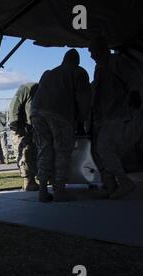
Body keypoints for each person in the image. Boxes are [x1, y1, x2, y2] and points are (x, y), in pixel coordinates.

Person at [31, 49, 91, 202]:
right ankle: (60, 190)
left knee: (44, 149)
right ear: (77, 61)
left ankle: (43, 190)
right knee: (62, 150)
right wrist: (83, 121)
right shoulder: (78, 72)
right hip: (59, 114)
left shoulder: (49, 73)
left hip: (36, 112)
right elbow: (84, 99)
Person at [89, 36, 141, 200]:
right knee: (100, 151)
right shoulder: (100, 68)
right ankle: (109, 185)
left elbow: (133, 80)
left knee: (105, 149)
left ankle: (124, 181)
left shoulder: (115, 62)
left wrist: (133, 97)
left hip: (116, 115)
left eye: (92, 51)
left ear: (101, 49)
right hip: (103, 117)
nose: (91, 55)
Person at [8, 83, 39, 191]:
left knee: (33, 153)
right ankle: (28, 181)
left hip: (33, 127)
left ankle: (33, 179)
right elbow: (14, 105)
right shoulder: (28, 88)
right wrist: (15, 125)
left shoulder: (44, 91)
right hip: (21, 127)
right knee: (25, 153)